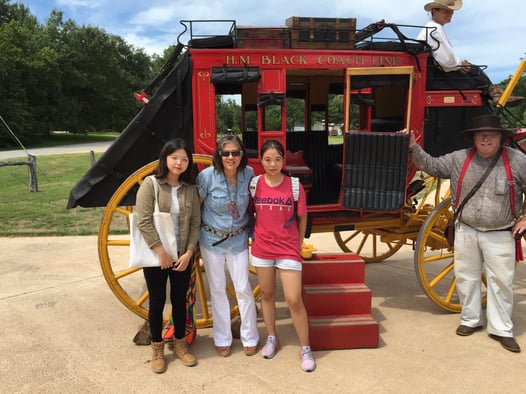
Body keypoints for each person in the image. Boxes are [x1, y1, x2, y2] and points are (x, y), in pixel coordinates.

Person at [408, 114, 526, 353]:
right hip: (466, 229)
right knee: (466, 277)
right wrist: (412, 146)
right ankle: (470, 319)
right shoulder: (459, 158)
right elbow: (431, 165)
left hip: (500, 232)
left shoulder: (517, 161)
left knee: (501, 282)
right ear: (473, 138)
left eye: (490, 135)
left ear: (501, 138)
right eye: (480, 135)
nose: (485, 139)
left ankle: (502, 329)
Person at [135, 138, 201, 372]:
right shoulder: (151, 184)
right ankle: (157, 348)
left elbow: (195, 224)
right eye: (174, 158)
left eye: (184, 159)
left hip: (182, 254)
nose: (179, 163)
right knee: (157, 301)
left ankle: (181, 344)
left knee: (180, 301)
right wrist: (161, 252)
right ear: (165, 159)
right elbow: (143, 220)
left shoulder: (190, 189)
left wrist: (190, 252)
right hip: (157, 255)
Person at [250, 139, 316, 372]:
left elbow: (303, 218)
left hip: (287, 249)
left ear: (283, 160)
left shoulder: (294, 186)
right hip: (263, 248)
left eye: (277, 159)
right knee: (267, 295)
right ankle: (271, 338)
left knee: (293, 300)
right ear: (261, 160)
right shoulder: (255, 184)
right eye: (267, 159)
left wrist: (297, 245)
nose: (272, 164)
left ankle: (305, 348)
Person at [196, 135, 259, 357]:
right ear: (219, 155)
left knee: (243, 288)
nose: (230, 157)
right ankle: (222, 338)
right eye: (226, 153)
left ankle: (250, 336)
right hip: (212, 240)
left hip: (239, 240)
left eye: (235, 152)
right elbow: (198, 208)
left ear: (242, 155)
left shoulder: (248, 174)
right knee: (217, 289)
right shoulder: (206, 177)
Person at [416, 0, 523, 106]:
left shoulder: (429, 28)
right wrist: (460, 65)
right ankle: (495, 98)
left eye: (451, 11)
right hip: (437, 76)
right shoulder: (435, 29)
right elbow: (446, 60)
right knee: (474, 75)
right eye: (446, 11)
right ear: (435, 11)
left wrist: (459, 64)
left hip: (433, 73)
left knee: (473, 70)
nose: (450, 14)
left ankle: (496, 95)